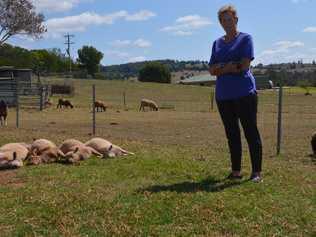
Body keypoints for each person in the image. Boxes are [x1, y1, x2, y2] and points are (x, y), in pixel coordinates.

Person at [208, 5, 263, 182]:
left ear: (236, 20)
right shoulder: (216, 43)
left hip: (244, 93)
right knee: (232, 134)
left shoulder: (246, 39)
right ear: (220, 23)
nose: (227, 23)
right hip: (223, 96)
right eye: (223, 20)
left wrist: (222, 67)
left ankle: (256, 173)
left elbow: (244, 65)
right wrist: (230, 66)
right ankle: (236, 171)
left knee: (250, 132)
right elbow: (211, 69)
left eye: (230, 19)